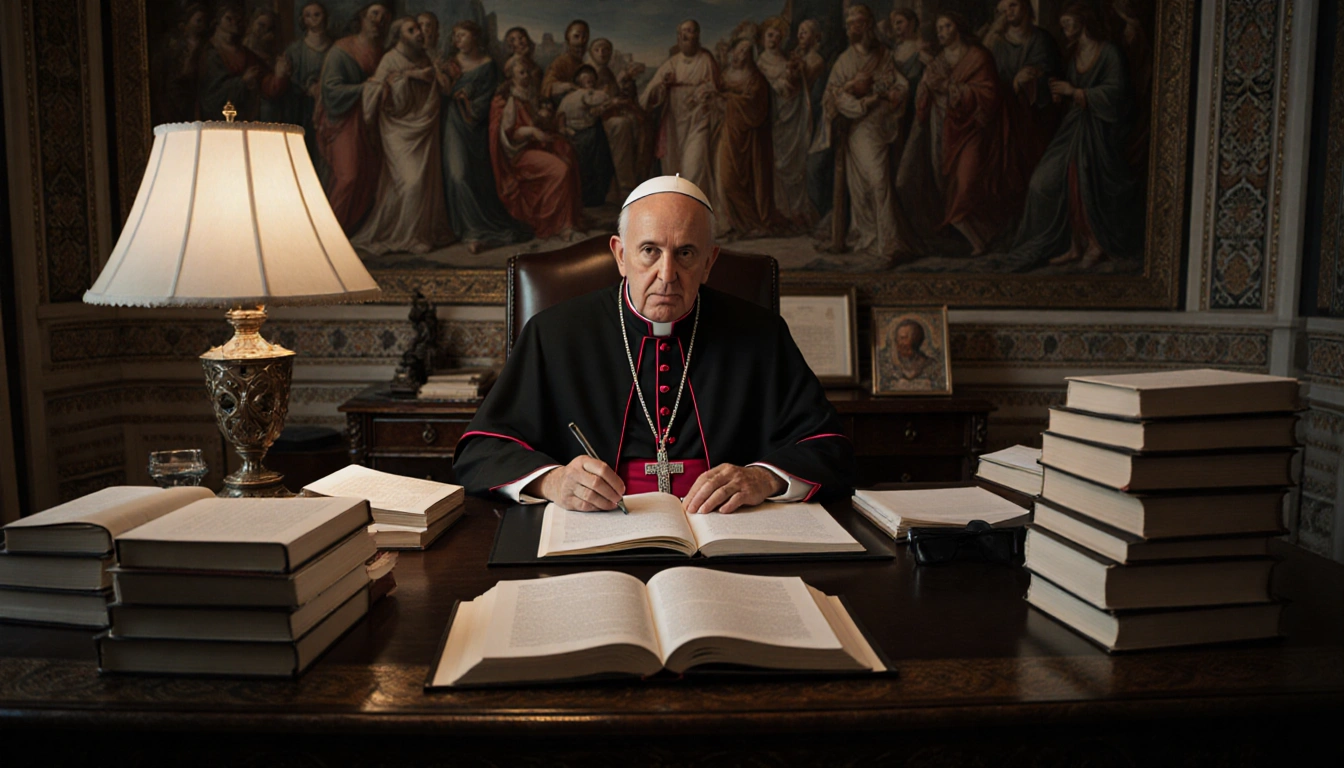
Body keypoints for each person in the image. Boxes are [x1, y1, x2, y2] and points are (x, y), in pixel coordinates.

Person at [453, 175, 852, 513]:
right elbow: (482, 451)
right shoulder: (553, 334)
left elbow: (830, 446)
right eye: (650, 251)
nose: (667, 274)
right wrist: (553, 482)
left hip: (725, 535)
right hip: (600, 536)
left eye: (685, 253)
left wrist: (763, 478)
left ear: (710, 262)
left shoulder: (761, 335)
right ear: (620, 255)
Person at [1011, 3, 1140, 269]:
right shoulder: (1075, 54)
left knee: (1085, 177)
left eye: (1069, 22)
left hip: (1100, 131)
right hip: (1075, 126)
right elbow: (1071, 94)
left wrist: (1077, 93)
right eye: (1063, 23)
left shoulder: (1109, 52)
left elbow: (1117, 93)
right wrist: (1060, 96)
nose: (1065, 27)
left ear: (1083, 21)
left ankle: (1095, 243)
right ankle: (1075, 243)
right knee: (1045, 181)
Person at [350, 16, 454, 256]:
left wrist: (432, 75)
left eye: (419, 28)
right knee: (410, 182)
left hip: (424, 127)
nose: (419, 32)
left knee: (424, 181)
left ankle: (418, 234)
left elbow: (439, 88)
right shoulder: (390, 59)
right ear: (399, 36)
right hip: (397, 130)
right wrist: (409, 77)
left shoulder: (424, 57)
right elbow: (374, 90)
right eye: (411, 29)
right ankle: (403, 237)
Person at [816, 5, 911, 261]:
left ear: (869, 25)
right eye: (850, 24)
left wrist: (897, 93)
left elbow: (900, 83)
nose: (853, 29)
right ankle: (871, 238)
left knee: (879, 182)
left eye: (858, 23)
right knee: (863, 187)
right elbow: (831, 97)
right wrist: (856, 99)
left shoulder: (885, 55)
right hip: (858, 130)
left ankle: (888, 243)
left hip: (881, 127)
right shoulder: (844, 61)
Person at [912, 13, 1009, 255]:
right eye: (939, 28)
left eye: (946, 26)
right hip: (945, 129)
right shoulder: (938, 61)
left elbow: (990, 94)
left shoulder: (978, 57)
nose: (942, 32)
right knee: (947, 182)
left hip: (973, 129)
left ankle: (978, 235)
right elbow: (924, 96)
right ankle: (980, 239)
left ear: (958, 27)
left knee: (967, 182)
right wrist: (926, 86)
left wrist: (949, 88)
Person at [438, 20, 530, 253]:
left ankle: (482, 231)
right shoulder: (449, 65)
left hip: (478, 130)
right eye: (455, 35)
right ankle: (471, 231)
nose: (457, 39)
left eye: (462, 34)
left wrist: (468, 99)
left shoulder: (488, 66)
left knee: (478, 178)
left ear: (475, 37)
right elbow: (442, 92)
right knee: (457, 175)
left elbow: (490, 99)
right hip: (454, 125)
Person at [489, 58, 585, 241]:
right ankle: (560, 226)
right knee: (559, 169)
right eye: (521, 73)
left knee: (567, 154)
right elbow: (509, 134)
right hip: (519, 155)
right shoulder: (511, 99)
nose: (526, 76)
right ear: (511, 76)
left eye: (528, 72)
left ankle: (568, 221)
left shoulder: (529, 95)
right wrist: (531, 131)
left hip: (533, 147)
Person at [316, 2, 389, 234]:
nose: (379, 20)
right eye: (374, 14)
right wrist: (363, 89)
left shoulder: (383, 53)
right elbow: (330, 90)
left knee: (369, 179)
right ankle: (330, 234)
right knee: (349, 176)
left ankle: (348, 232)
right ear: (361, 17)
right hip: (344, 120)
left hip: (370, 122)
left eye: (384, 17)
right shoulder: (341, 50)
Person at [711, 37, 783, 240]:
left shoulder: (756, 79)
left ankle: (753, 224)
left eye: (746, 51)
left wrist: (728, 98)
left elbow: (756, 109)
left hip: (749, 141)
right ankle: (735, 222)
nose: (740, 54)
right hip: (728, 134)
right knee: (725, 180)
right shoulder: (724, 75)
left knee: (748, 183)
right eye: (738, 50)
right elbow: (718, 98)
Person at [990, 0, 1063, 199]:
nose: (1008, 12)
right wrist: (1015, 83)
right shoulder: (997, 46)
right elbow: (990, 86)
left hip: (1038, 123)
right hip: (1006, 123)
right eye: (1004, 8)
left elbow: (1056, 79)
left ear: (1026, 6)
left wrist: (1036, 81)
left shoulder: (1043, 40)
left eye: (1013, 5)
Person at [640, 20, 720, 192]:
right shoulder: (672, 63)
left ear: (697, 35)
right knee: (673, 169)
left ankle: (696, 207)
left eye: (690, 31)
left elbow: (717, 89)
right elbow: (648, 96)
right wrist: (663, 85)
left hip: (699, 120)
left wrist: (703, 93)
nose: (685, 35)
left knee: (694, 165)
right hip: (674, 123)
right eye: (682, 32)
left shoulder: (706, 60)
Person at [757, 17, 815, 228]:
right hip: (775, 120)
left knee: (796, 163)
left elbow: (798, 89)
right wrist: (781, 85)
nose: (774, 39)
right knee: (778, 165)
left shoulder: (787, 59)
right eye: (770, 35)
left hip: (793, 119)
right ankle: (782, 211)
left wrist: (793, 79)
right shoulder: (760, 63)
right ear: (763, 38)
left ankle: (798, 211)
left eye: (777, 36)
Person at [197, 4, 288, 122]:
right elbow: (211, 94)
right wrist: (243, 81)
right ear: (217, 22)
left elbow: (265, 84)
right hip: (216, 121)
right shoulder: (209, 54)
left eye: (238, 20)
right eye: (229, 19)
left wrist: (279, 75)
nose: (234, 22)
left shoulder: (245, 53)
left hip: (245, 119)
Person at [588, 37, 647, 199]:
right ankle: (625, 186)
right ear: (590, 53)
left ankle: (638, 178)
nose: (602, 53)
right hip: (593, 120)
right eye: (597, 49)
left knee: (638, 122)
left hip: (609, 114)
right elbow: (590, 105)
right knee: (622, 125)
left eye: (606, 50)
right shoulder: (588, 72)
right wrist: (611, 103)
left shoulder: (607, 72)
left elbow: (615, 95)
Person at [282, 2, 333, 185]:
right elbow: (289, 81)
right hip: (303, 110)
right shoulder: (295, 50)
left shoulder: (336, 49)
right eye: (308, 15)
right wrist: (307, 88)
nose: (313, 19)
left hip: (329, 111)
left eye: (317, 14)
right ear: (302, 20)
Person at [557, 65, 617, 207]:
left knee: (588, 166)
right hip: (588, 134)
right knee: (593, 165)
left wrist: (564, 128)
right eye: (585, 76)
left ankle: (589, 198)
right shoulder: (588, 94)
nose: (588, 78)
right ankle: (592, 199)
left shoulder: (567, 98)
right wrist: (607, 95)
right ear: (579, 81)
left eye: (590, 76)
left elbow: (560, 115)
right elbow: (602, 99)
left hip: (578, 134)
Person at [542, 20, 590, 106]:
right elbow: (546, 87)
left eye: (584, 37)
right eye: (576, 36)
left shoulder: (584, 65)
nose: (581, 41)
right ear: (568, 41)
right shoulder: (560, 62)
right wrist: (567, 86)